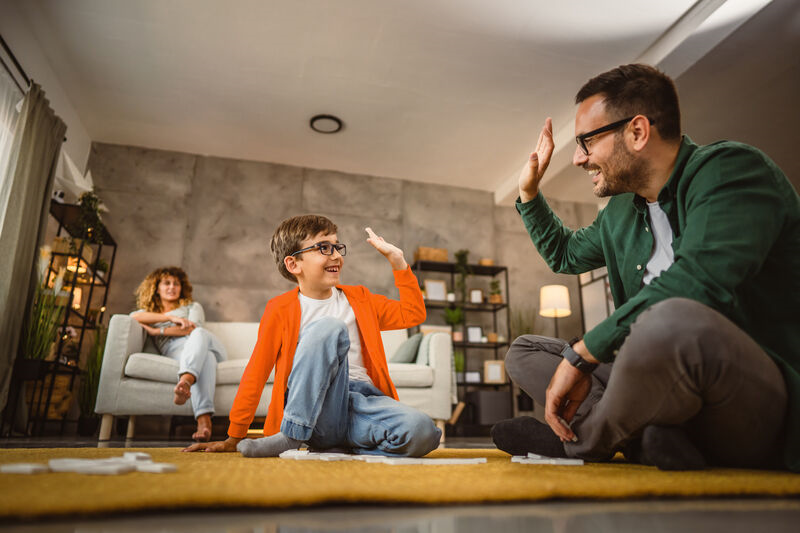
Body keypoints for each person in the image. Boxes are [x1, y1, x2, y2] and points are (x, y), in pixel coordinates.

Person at [491, 63, 800, 471]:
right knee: (524, 352)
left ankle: (582, 443)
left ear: (637, 132)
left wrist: (584, 354)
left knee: (670, 317)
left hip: (749, 394)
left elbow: (696, 283)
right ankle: (653, 435)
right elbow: (564, 254)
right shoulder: (620, 211)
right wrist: (529, 193)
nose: (579, 158)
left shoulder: (732, 170)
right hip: (658, 377)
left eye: (587, 141)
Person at [184, 215, 441, 457]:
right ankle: (292, 435)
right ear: (293, 264)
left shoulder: (361, 299)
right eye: (323, 248)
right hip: (314, 409)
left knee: (424, 432)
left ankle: (342, 449)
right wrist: (235, 436)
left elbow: (413, 314)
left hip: (362, 405)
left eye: (337, 246)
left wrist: (397, 260)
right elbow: (257, 372)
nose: (336, 255)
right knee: (329, 328)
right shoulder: (280, 308)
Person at [132, 266, 227, 442]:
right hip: (177, 352)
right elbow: (133, 317)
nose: (172, 287)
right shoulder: (148, 312)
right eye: (166, 283)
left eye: (176, 283)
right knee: (207, 359)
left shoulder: (192, 306)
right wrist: (170, 318)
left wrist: (157, 331)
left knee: (199, 333)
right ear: (156, 288)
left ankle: (185, 381)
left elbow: (192, 328)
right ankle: (204, 422)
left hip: (206, 343)